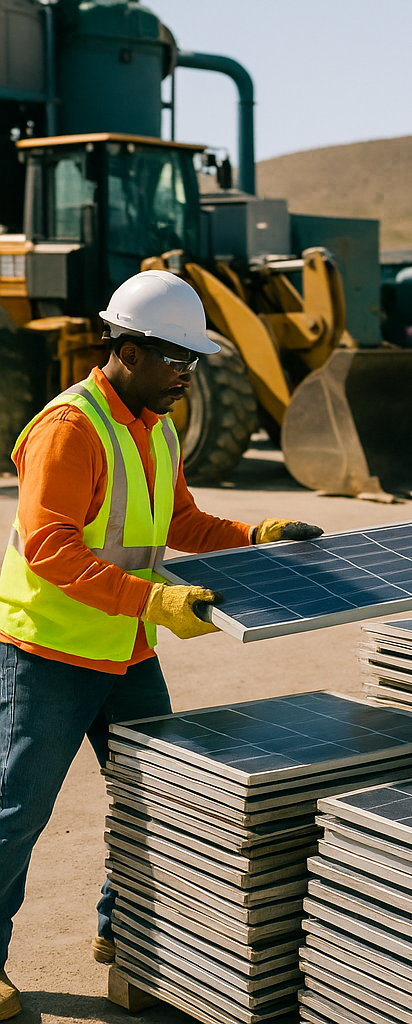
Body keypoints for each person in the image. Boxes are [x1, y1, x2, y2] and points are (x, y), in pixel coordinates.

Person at [0, 270, 322, 1020]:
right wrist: (153, 598)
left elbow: (181, 523)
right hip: (49, 654)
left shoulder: (157, 425)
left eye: (193, 360)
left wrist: (254, 537)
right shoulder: (70, 427)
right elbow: (49, 548)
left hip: (129, 652)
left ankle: (129, 951)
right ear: (131, 350)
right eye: (178, 359)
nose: (188, 374)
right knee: (17, 811)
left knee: (152, 806)